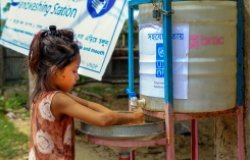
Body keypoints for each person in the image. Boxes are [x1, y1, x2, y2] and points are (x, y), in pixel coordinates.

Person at [27, 25, 144, 160]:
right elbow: (103, 119)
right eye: (74, 70)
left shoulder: (44, 95)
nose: (77, 76)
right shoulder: (58, 99)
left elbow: (90, 105)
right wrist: (134, 117)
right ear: (57, 72)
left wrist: (112, 115)